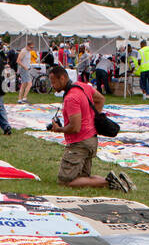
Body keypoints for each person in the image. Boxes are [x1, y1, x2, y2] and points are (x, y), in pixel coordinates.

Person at [45, 64, 132, 193]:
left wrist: (58, 129)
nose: (52, 86)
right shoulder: (83, 86)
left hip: (79, 143)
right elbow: (100, 99)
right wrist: (92, 119)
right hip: (91, 139)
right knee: (83, 178)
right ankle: (117, 180)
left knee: (65, 181)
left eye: (53, 82)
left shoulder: (71, 98)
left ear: (62, 78)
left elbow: (75, 127)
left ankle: (110, 182)